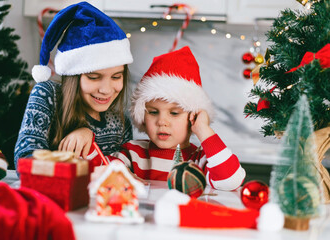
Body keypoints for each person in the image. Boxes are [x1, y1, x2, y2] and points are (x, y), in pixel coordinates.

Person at [89, 46, 245, 191]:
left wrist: (203, 129)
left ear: (193, 117)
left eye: (174, 113)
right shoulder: (133, 153)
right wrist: (84, 135)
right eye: (153, 112)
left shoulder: (199, 160)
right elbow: (96, 170)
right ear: (142, 116)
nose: (162, 121)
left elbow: (231, 180)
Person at [14, 2, 133, 170]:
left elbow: (122, 175)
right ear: (74, 77)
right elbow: (25, 162)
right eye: (93, 77)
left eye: (116, 77)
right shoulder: (47, 95)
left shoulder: (122, 123)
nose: (106, 89)